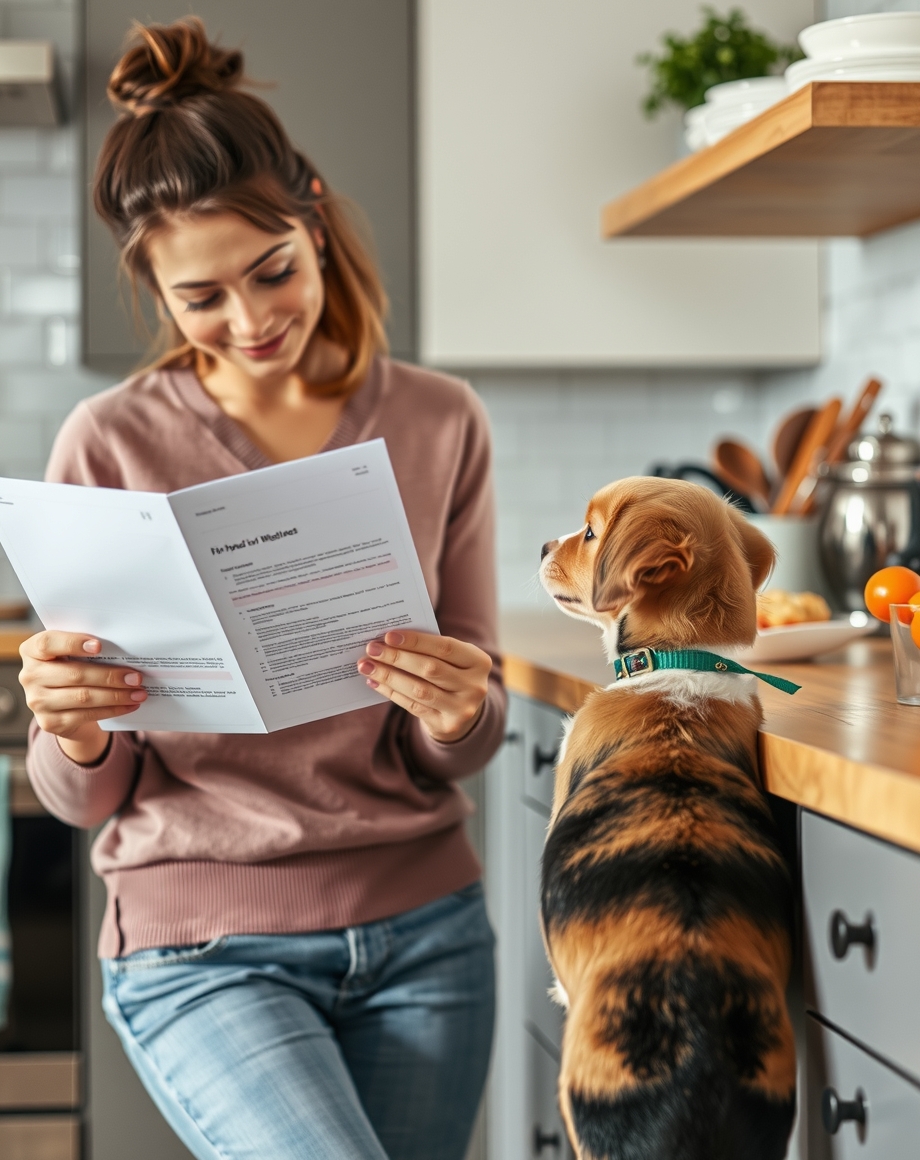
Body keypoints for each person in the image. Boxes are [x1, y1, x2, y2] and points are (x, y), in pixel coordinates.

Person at [20, 18, 505, 1160]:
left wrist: (456, 708)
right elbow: (86, 794)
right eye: (202, 298)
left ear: (315, 220)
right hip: (201, 947)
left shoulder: (439, 420)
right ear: (155, 291)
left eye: (273, 270)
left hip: (426, 931)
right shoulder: (107, 442)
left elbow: (465, 738)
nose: (251, 322)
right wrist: (76, 731)